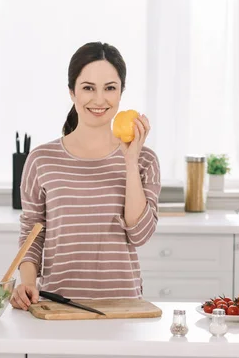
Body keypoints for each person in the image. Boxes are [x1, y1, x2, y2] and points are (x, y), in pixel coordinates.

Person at [10, 41, 161, 310]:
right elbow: (32, 232)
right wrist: (28, 283)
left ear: (121, 93)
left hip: (123, 307)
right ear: (72, 92)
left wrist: (129, 160)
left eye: (110, 88)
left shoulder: (144, 160)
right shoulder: (42, 160)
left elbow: (139, 235)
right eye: (88, 88)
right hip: (56, 305)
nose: (99, 99)